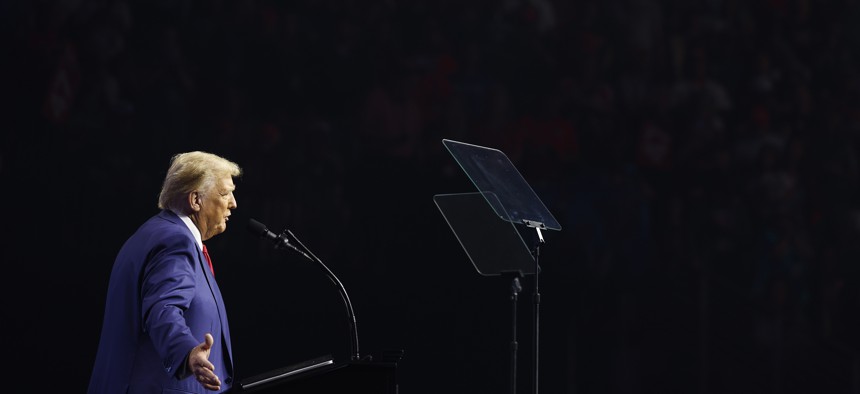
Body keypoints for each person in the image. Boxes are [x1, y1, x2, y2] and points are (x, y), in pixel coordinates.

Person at [88, 151, 242, 393]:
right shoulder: (175, 241)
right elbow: (163, 308)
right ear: (195, 200)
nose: (233, 203)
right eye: (224, 193)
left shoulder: (155, 233)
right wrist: (187, 352)